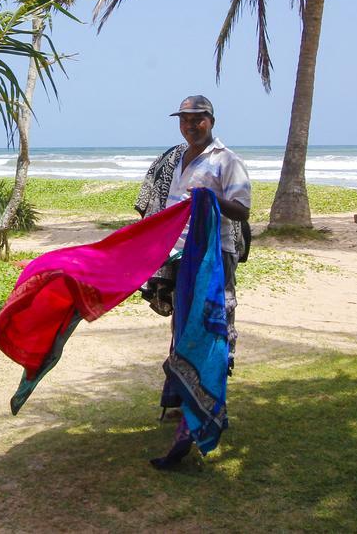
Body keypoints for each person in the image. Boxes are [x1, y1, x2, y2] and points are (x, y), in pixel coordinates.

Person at [137, 95, 251, 468]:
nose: (190, 124)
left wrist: (210, 200)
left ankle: (206, 414)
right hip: (180, 258)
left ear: (211, 120)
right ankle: (184, 402)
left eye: (197, 119)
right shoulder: (176, 160)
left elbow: (242, 209)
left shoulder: (225, 161)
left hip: (214, 257)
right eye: (184, 119)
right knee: (184, 329)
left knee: (212, 332)